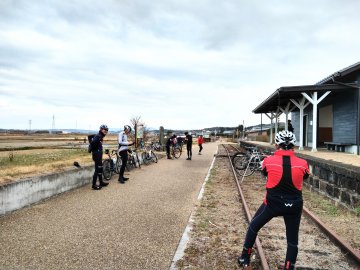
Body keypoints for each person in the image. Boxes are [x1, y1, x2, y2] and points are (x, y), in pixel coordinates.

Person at [238, 130, 309, 270]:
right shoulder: (303, 163)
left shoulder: (268, 161)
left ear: (276, 145)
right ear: (293, 146)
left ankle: (244, 258)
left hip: (272, 204)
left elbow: (264, 172)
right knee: (292, 241)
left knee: (254, 226)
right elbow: (305, 177)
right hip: (294, 205)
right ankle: (289, 267)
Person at [90, 124, 110, 190]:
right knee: (97, 169)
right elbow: (92, 143)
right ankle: (94, 185)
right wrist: (92, 150)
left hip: (99, 154)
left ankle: (101, 182)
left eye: (107, 130)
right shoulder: (98, 136)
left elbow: (90, 137)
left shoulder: (100, 136)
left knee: (100, 169)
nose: (106, 131)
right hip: (96, 155)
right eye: (105, 130)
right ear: (101, 129)